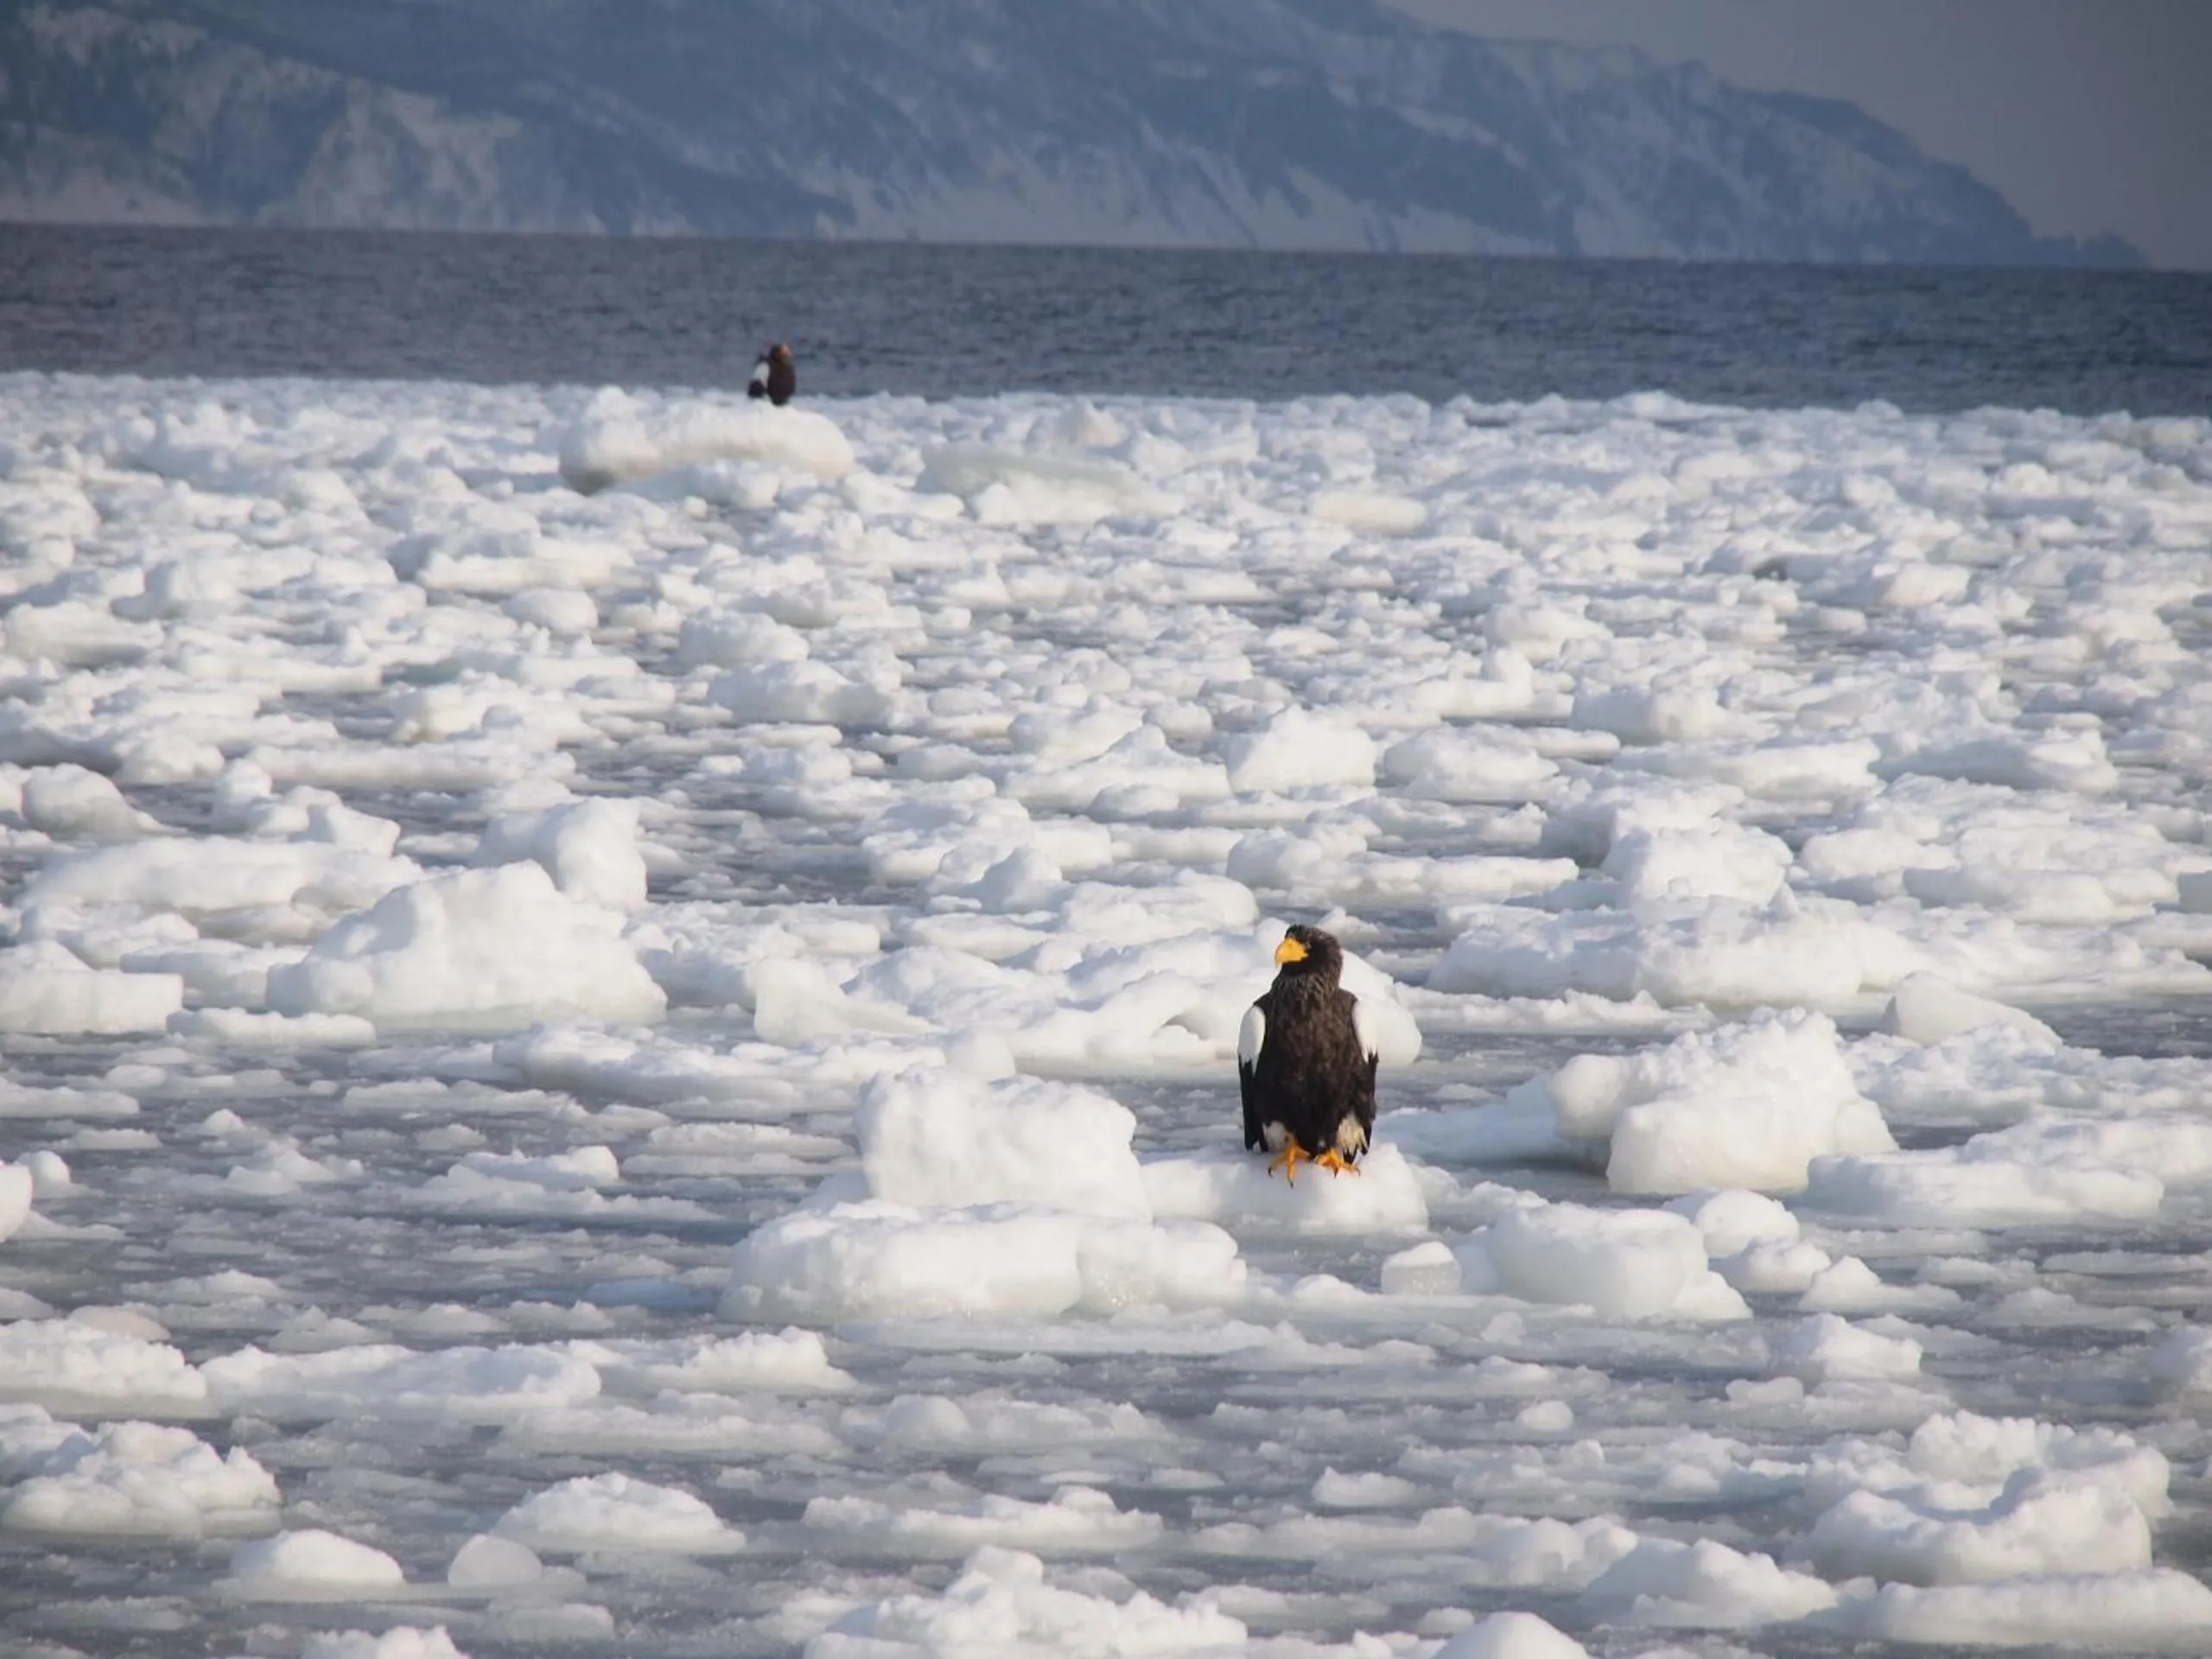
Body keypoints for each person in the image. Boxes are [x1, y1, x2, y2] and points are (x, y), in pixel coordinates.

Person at [748, 341, 796, 406]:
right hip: (765, 404)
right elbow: (756, 388)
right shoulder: (765, 365)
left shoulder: (788, 368)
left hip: (782, 403)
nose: (788, 354)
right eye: (783, 352)